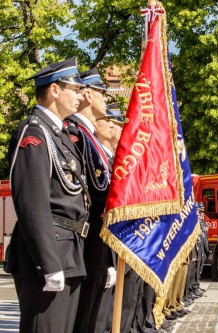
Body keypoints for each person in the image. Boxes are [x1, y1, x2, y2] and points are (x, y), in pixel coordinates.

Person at [6, 57, 88, 333]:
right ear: (54, 90)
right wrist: (48, 262)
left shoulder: (60, 135)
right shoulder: (35, 132)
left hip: (70, 249)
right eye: (73, 89)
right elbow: (32, 201)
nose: (79, 96)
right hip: (49, 251)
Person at [68, 67, 118, 333]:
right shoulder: (76, 135)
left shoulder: (88, 139)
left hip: (98, 238)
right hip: (87, 237)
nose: (105, 100)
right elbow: (94, 191)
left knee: (91, 314)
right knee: (83, 318)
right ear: (87, 94)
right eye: (102, 93)